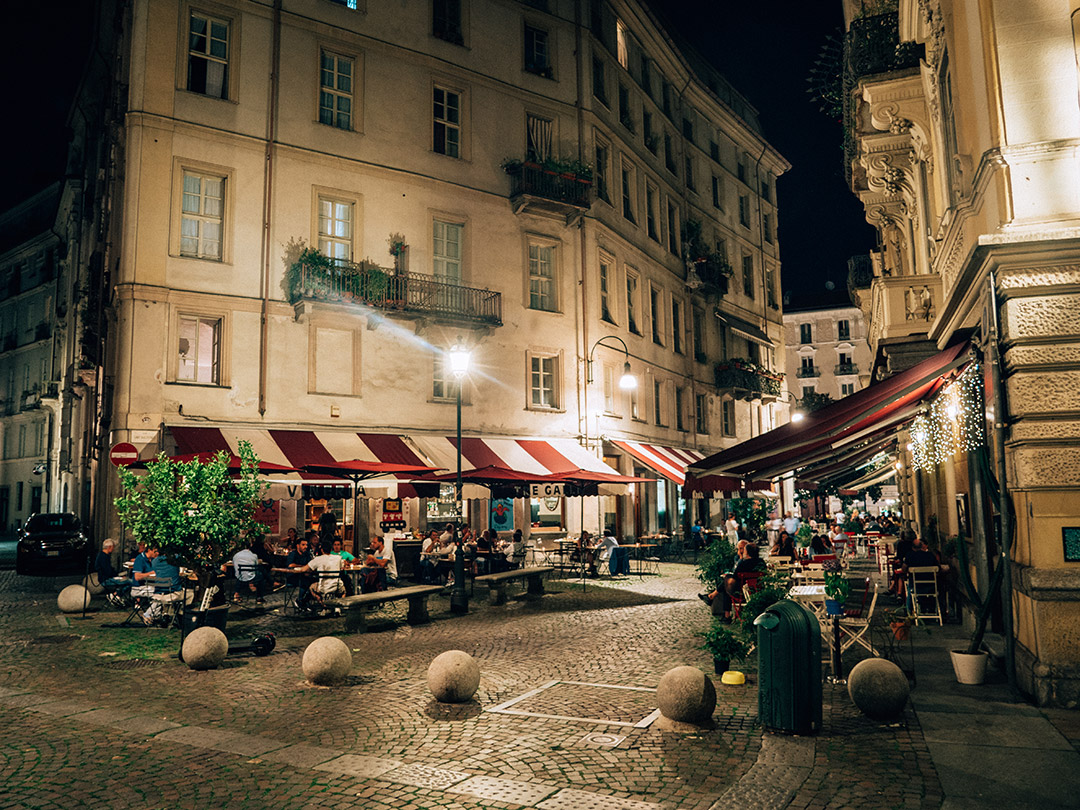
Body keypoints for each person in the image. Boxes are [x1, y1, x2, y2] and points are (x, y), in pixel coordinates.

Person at [290, 539, 345, 608]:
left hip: (323, 587)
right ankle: (338, 606)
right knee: (343, 591)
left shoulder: (318, 559)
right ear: (331, 549)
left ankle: (321, 603)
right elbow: (342, 568)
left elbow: (304, 569)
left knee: (311, 587)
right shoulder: (338, 558)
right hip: (337, 585)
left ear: (321, 550)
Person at [143, 549, 183, 626]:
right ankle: (180, 615)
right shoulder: (175, 558)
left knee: (168, 592)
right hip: (173, 594)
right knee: (190, 594)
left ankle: (166, 614)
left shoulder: (154, 561)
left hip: (158, 594)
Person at [95, 539, 132, 606]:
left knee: (128, 581)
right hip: (106, 579)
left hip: (106, 578)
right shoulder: (103, 557)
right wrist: (118, 576)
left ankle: (115, 594)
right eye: (113, 547)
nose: (113, 549)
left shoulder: (102, 555)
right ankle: (117, 594)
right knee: (130, 581)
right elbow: (108, 571)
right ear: (109, 547)